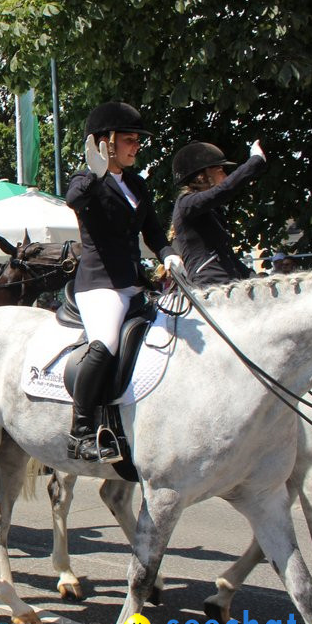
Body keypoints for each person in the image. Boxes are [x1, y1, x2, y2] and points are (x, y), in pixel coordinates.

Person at [65, 102, 184, 463]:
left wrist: (168, 254)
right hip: (100, 285)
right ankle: (81, 432)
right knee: (106, 344)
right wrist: (96, 175)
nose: (136, 147)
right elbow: (74, 201)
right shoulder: (84, 180)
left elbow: (152, 231)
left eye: (137, 141)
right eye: (129, 140)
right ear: (106, 142)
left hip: (134, 282)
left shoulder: (137, 184)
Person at [171, 140, 267, 287]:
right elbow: (222, 191)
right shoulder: (186, 203)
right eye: (220, 170)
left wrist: (258, 281)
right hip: (208, 285)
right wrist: (254, 163)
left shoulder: (212, 210)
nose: (225, 175)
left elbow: (229, 257)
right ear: (202, 175)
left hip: (228, 282)